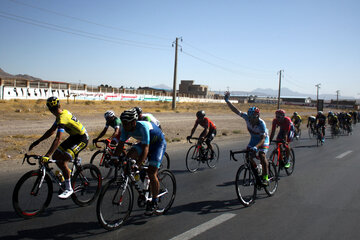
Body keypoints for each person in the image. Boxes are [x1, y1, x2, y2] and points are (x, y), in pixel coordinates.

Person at [29, 97, 89, 199]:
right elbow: (51, 131)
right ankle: (68, 174)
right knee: (56, 156)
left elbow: (58, 139)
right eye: (53, 109)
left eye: (54, 109)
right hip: (74, 137)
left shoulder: (62, 118)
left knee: (62, 160)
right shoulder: (60, 115)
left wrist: (47, 155)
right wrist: (37, 141)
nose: (54, 111)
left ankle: (69, 188)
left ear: (58, 107)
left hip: (82, 138)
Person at [114, 109, 167, 216]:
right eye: (122, 123)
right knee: (128, 157)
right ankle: (133, 178)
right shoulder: (125, 128)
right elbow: (120, 145)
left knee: (152, 172)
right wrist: (114, 157)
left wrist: (137, 164)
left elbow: (146, 149)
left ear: (134, 122)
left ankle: (155, 201)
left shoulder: (143, 127)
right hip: (144, 143)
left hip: (157, 144)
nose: (123, 125)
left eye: (126, 123)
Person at [224, 92, 270, 185]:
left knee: (262, 155)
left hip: (263, 140)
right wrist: (227, 101)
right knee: (248, 156)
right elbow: (236, 110)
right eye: (249, 117)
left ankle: (265, 178)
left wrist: (256, 147)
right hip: (253, 140)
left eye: (253, 117)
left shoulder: (261, 124)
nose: (251, 119)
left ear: (257, 116)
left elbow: (262, 140)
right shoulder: (247, 117)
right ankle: (257, 169)